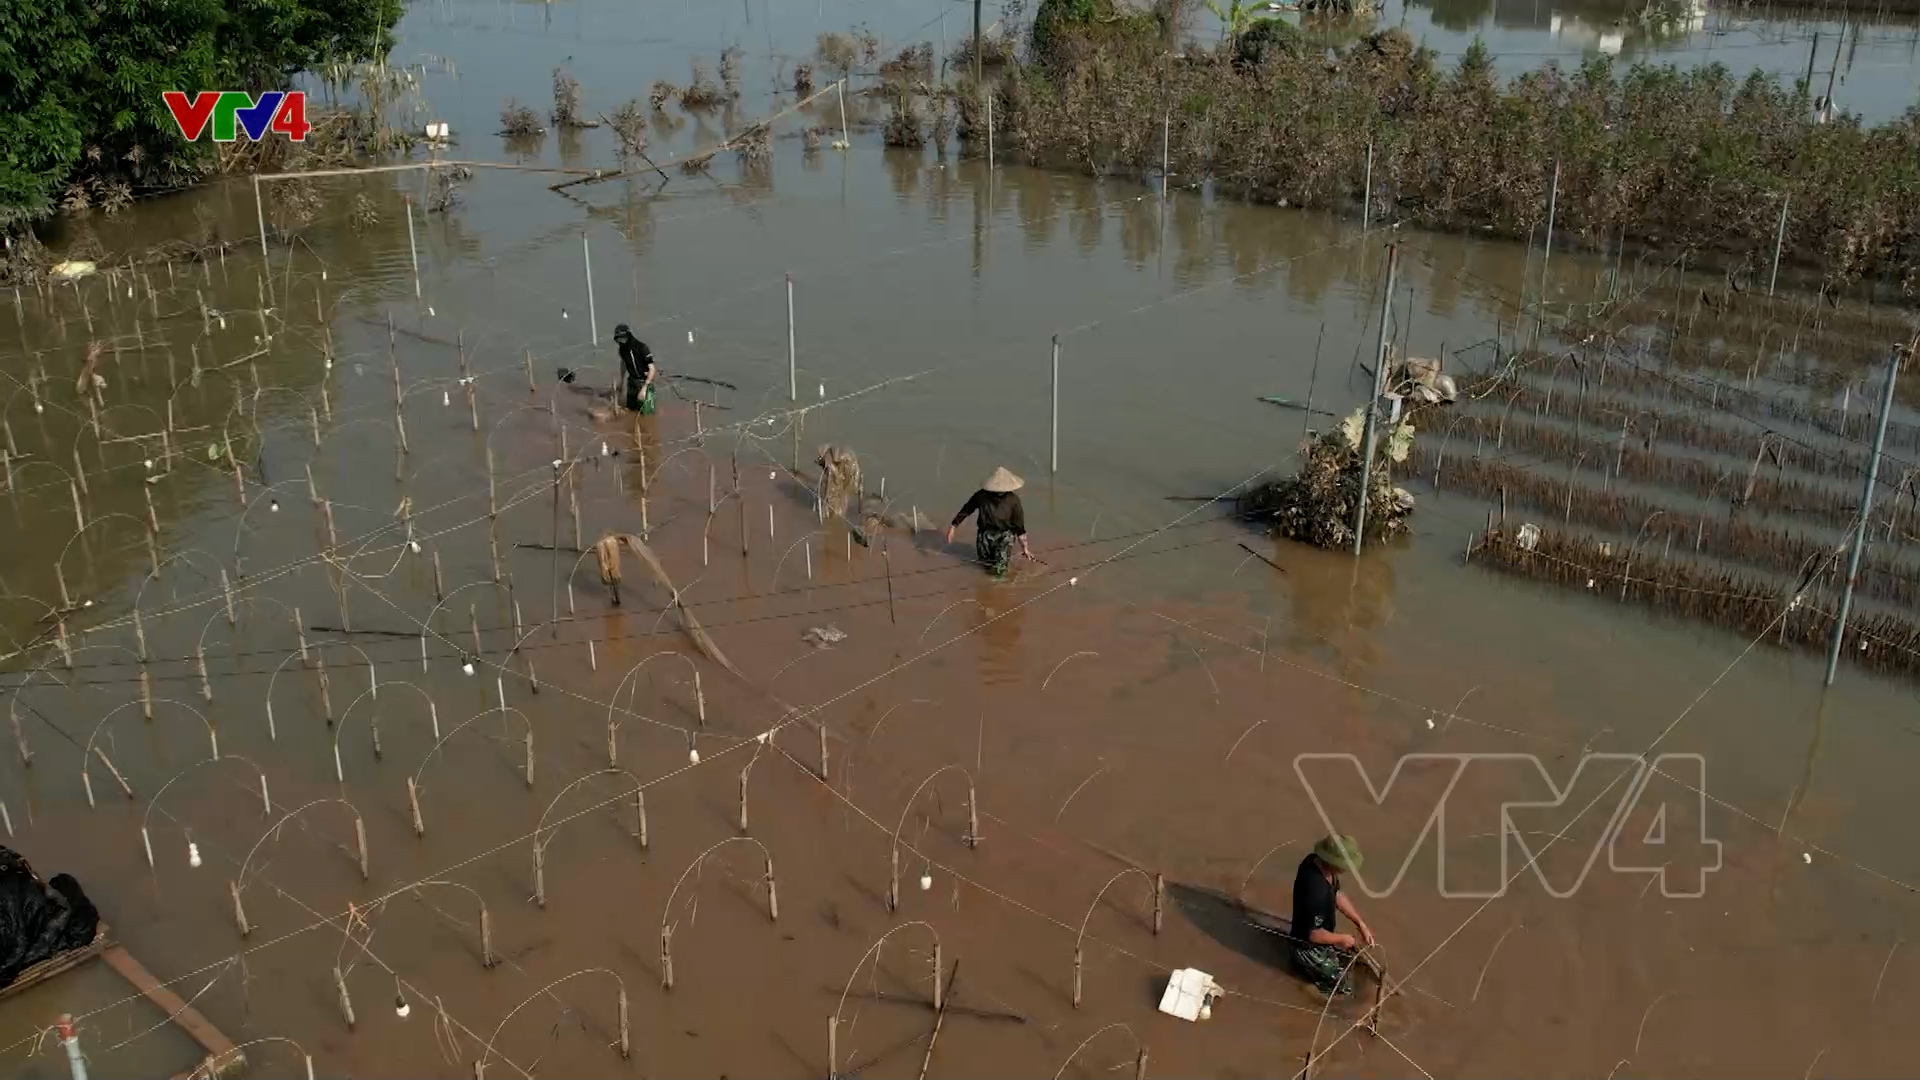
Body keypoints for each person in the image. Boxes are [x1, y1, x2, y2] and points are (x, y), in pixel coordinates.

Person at [1289, 834, 1376, 996]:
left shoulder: (1317, 862)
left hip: (1318, 934)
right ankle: (1309, 990)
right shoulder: (1315, 891)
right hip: (1307, 947)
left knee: (1341, 961)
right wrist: (1343, 939)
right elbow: (1314, 935)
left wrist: (1360, 924)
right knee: (1342, 987)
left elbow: (1337, 895)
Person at [946, 467, 1033, 577]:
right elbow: (967, 509)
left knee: (999, 570)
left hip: (1004, 536)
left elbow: (1019, 526)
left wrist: (1025, 548)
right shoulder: (981, 496)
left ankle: (998, 589)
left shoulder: (1014, 501)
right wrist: (953, 526)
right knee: (985, 564)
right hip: (984, 535)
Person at [614, 324, 656, 414]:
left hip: (644, 381)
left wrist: (644, 389)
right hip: (632, 381)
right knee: (629, 409)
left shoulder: (642, 348)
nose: (620, 341)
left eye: (622, 338)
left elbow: (652, 370)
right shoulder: (622, 350)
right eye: (618, 339)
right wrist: (621, 381)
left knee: (646, 413)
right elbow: (623, 363)